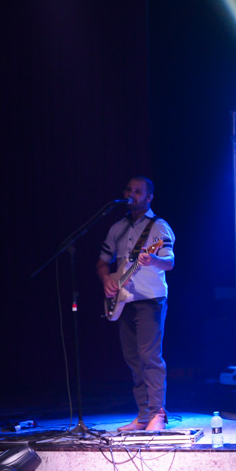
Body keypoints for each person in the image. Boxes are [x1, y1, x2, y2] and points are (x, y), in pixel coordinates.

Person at [98, 176, 176, 432]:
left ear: (149, 197)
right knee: (133, 359)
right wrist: (107, 279)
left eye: (138, 191)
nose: (131, 194)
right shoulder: (117, 228)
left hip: (150, 299)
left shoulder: (159, 227)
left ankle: (158, 413)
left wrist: (153, 259)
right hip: (124, 301)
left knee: (149, 356)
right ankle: (143, 415)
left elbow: (169, 261)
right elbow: (103, 262)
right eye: (128, 190)